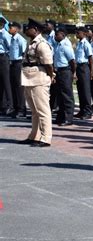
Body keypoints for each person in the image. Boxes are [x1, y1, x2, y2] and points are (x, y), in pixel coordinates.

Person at [17, 18, 54, 147]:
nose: (26, 30)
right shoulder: (31, 42)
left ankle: (46, 137)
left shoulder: (42, 44)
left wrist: (51, 76)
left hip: (39, 79)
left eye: (29, 28)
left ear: (36, 30)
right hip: (29, 78)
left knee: (43, 110)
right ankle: (35, 135)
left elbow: (48, 64)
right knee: (34, 110)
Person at [53, 24, 76, 126]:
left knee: (67, 95)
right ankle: (61, 117)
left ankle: (68, 118)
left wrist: (73, 72)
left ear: (62, 35)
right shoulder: (58, 45)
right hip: (58, 72)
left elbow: (72, 61)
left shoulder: (66, 46)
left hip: (65, 71)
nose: (55, 36)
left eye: (57, 34)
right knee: (60, 95)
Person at [8, 21, 27, 118]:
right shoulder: (12, 39)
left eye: (11, 27)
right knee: (13, 86)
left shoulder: (20, 39)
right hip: (12, 63)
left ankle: (21, 109)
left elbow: (23, 53)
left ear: (16, 29)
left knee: (19, 87)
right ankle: (15, 108)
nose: (9, 29)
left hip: (18, 64)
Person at [74, 27, 93, 120]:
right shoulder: (79, 43)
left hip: (84, 67)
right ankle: (82, 110)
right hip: (79, 67)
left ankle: (88, 111)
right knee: (80, 89)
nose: (77, 34)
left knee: (86, 91)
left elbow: (90, 58)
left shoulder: (86, 44)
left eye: (79, 32)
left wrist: (91, 71)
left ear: (84, 34)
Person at [0, 17, 13, 116]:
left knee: (6, 82)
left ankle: (10, 105)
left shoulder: (5, 34)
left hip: (3, 58)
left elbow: (10, 47)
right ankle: (2, 105)